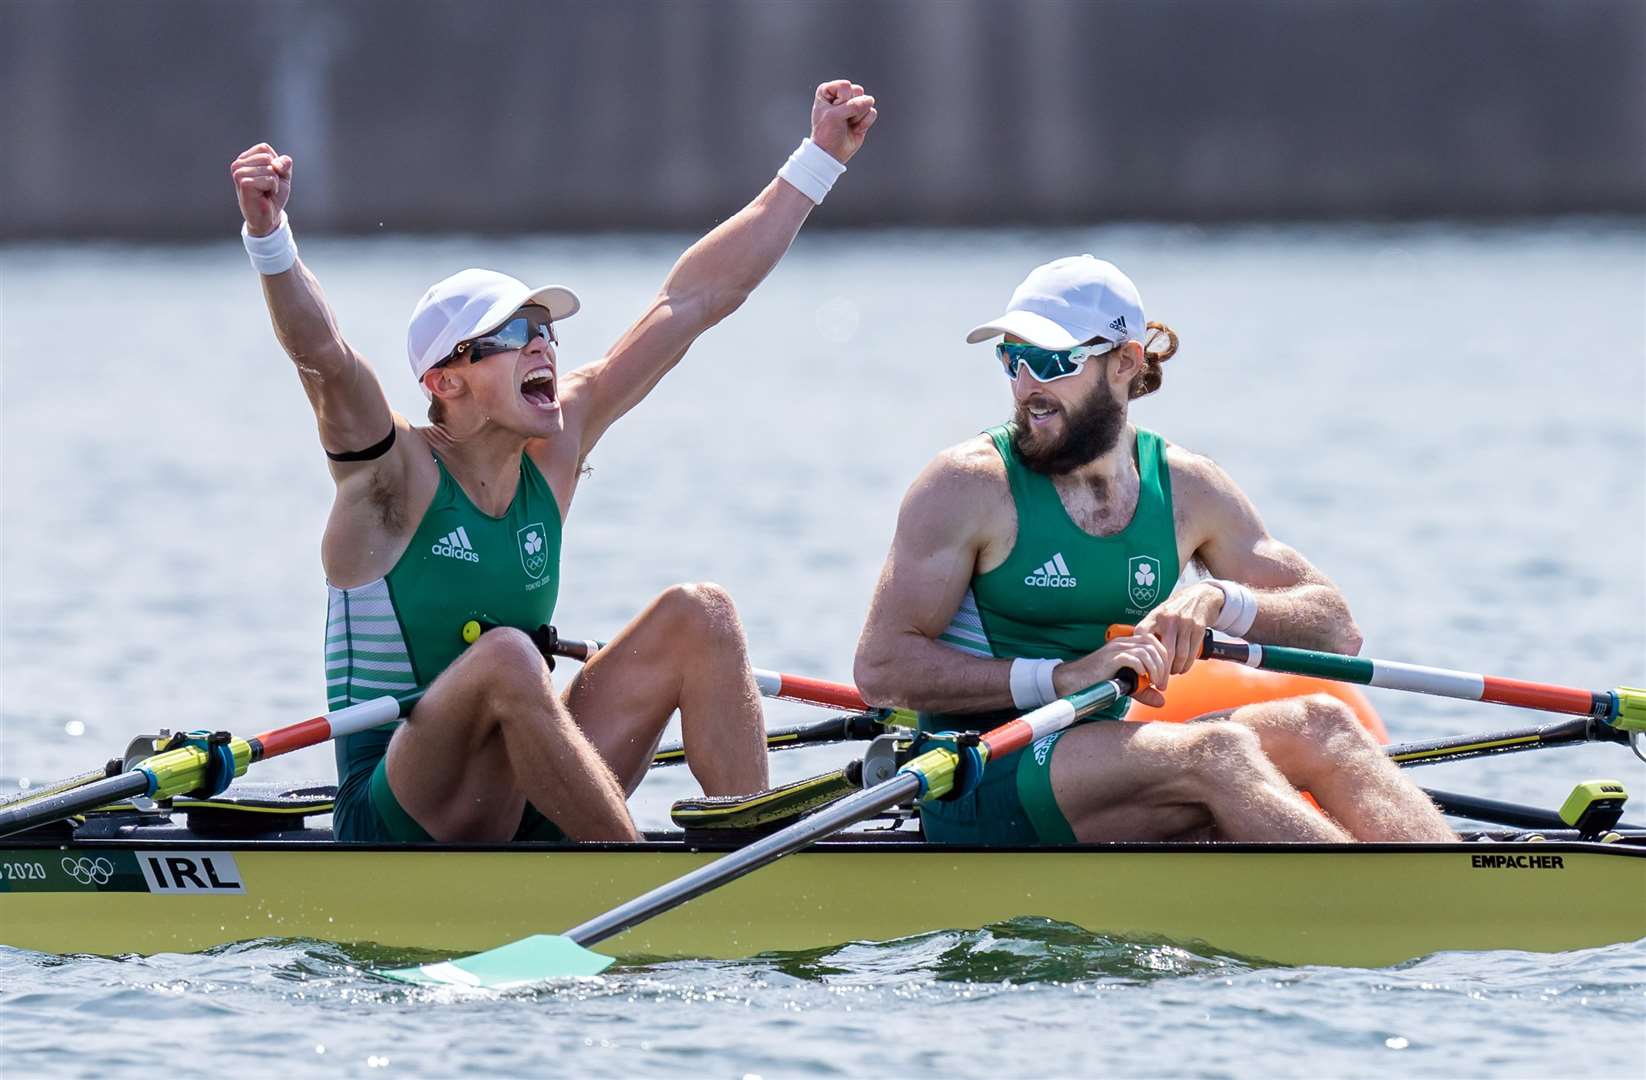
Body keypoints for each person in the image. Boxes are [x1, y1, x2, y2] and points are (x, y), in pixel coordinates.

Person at [230, 79, 878, 844]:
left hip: (516, 783)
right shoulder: (389, 478)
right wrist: (270, 238)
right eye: (511, 334)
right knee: (508, 655)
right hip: (399, 810)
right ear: (446, 380)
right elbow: (324, 359)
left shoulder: (557, 446)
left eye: (543, 328)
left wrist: (817, 162)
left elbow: (692, 300)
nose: (541, 342)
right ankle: (636, 880)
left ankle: (752, 865)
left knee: (700, 615)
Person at [853, 255, 1456, 845]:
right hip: (981, 772)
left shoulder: (1188, 487)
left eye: (1052, 361)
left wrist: (1222, 601)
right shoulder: (967, 485)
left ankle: (1461, 894)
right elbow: (881, 670)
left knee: (1324, 724)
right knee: (1217, 753)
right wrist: (1062, 677)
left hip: (1098, 761)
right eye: (1012, 359)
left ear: (1125, 362)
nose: (1027, 385)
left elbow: (1337, 631)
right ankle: (1372, 910)